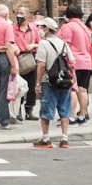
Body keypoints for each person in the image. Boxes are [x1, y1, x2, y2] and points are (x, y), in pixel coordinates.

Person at [32, 17, 73, 150]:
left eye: (42, 27)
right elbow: (72, 62)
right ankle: (64, 139)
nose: (40, 30)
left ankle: (46, 138)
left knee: (46, 110)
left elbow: (41, 65)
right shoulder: (64, 43)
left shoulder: (44, 44)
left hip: (49, 81)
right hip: (64, 81)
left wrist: (38, 83)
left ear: (48, 29)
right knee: (65, 110)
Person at [57, 5, 92, 124]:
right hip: (87, 61)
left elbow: (65, 45)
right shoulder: (86, 28)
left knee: (72, 89)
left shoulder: (68, 26)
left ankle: (71, 116)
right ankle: (83, 116)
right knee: (83, 90)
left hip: (74, 62)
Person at [12, 8, 42, 120]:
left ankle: (29, 111)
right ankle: (18, 111)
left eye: (22, 13)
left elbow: (40, 43)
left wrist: (32, 46)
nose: (19, 15)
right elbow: (10, 42)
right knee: (19, 85)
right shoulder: (13, 29)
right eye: (17, 13)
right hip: (18, 58)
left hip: (31, 58)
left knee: (32, 85)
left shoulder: (33, 28)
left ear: (27, 15)